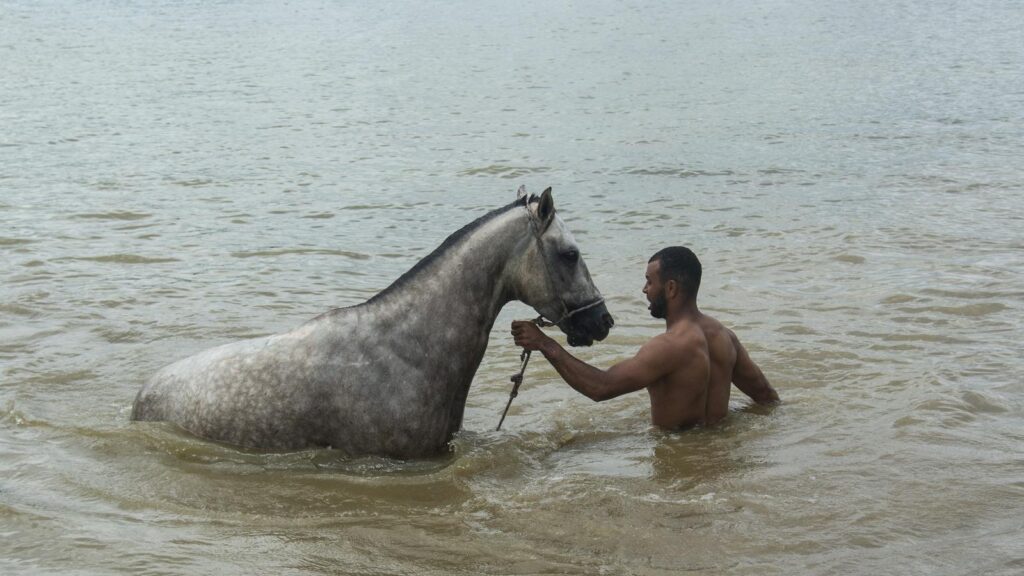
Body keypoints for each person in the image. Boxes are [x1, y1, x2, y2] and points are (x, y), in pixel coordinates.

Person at [511, 246, 778, 429]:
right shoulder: (725, 338)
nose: (644, 290)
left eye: (649, 281)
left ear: (670, 288)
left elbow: (601, 388)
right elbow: (766, 396)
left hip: (678, 472)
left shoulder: (668, 347)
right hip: (717, 463)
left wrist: (546, 344)